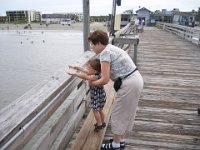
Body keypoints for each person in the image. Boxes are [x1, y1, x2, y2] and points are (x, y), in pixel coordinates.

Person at [88, 30, 144, 150]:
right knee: (127, 113)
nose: (91, 47)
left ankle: (115, 145)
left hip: (128, 83)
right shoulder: (111, 48)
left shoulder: (105, 53)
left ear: (98, 43)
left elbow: (105, 79)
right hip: (136, 79)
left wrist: (92, 83)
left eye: (92, 44)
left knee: (119, 114)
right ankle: (121, 141)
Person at [66, 58, 106, 132]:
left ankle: (99, 124)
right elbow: (83, 69)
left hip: (96, 96)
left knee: (95, 110)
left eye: (89, 67)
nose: (87, 68)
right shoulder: (96, 73)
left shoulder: (95, 76)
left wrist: (74, 73)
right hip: (101, 94)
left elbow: (85, 77)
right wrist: (74, 67)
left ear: (94, 70)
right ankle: (103, 122)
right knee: (100, 109)